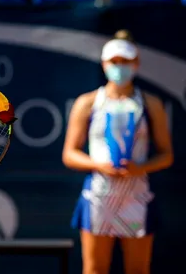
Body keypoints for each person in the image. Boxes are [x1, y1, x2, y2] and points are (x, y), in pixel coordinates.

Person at [63, 29, 173, 274]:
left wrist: (140, 168)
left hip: (137, 197)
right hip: (99, 197)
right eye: (115, 61)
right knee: (94, 270)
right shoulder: (87, 103)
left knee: (138, 270)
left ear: (136, 64)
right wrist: (99, 165)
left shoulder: (151, 104)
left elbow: (167, 155)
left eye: (125, 62)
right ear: (104, 64)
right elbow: (70, 153)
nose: (119, 67)